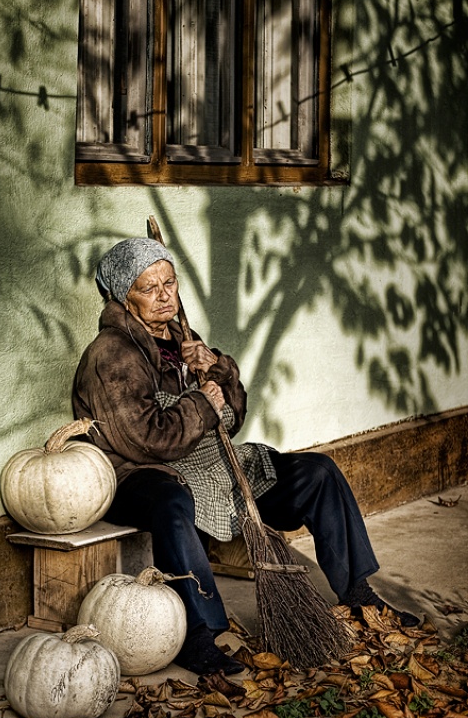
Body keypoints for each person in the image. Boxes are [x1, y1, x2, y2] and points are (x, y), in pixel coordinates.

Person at [72, 238, 420, 676]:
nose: (165, 296)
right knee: (172, 500)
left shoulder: (181, 338)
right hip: (139, 472)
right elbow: (146, 440)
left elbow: (230, 422)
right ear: (126, 297)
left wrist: (217, 368)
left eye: (170, 283)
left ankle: (356, 589)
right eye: (149, 288)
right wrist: (201, 400)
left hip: (206, 464)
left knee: (317, 473)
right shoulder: (111, 354)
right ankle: (199, 634)